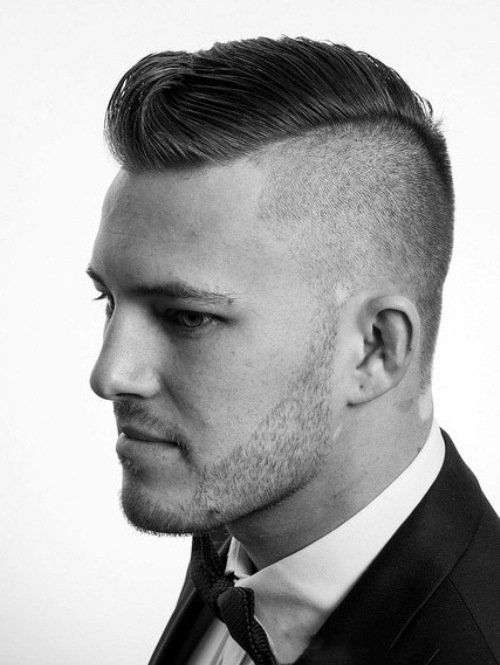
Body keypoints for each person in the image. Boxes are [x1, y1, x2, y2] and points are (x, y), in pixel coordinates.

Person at [87, 37, 500, 665]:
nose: (109, 374)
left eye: (188, 317)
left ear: (375, 350)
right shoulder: (235, 522)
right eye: (108, 300)